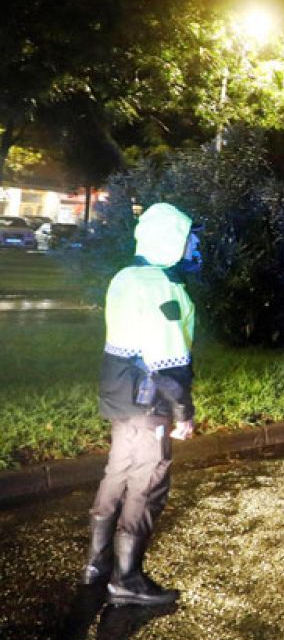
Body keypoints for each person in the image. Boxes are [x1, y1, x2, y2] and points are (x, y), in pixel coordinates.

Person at [82, 203, 200, 607]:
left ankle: (96, 566)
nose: (194, 244)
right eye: (188, 237)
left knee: (117, 474)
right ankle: (127, 579)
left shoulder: (125, 278)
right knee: (148, 484)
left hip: (119, 393)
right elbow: (168, 358)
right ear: (170, 240)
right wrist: (183, 413)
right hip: (148, 399)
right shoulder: (161, 287)